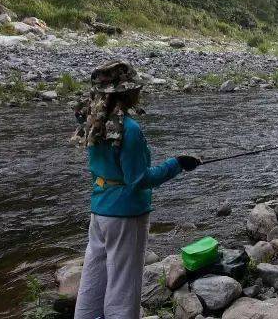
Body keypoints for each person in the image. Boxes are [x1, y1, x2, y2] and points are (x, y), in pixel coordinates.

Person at [70, 60, 201, 318]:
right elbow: (139, 180)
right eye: (135, 87)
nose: (139, 91)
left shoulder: (92, 121)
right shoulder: (129, 129)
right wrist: (178, 164)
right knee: (123, 288)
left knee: (93, 280)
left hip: (99, 212)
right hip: (126, 216)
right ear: (126, 92)